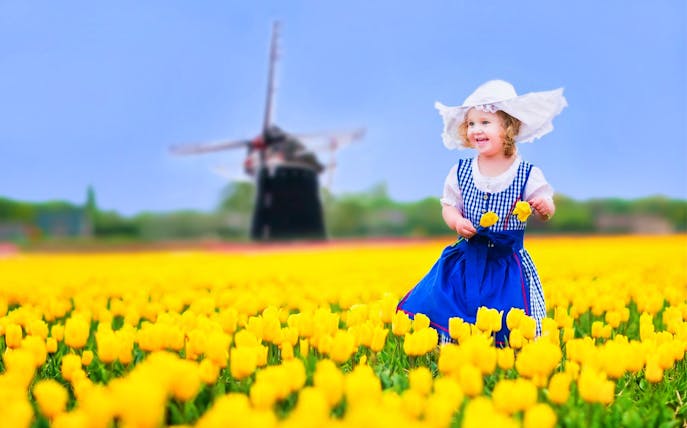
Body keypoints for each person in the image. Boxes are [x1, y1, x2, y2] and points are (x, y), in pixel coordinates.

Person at [397, 79, 567, 345]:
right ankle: (458, 353)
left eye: (485, 122)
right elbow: (449, 206)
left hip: (506, 262)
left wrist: (544, 207)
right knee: (454, 310)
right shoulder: (461, 171)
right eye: (471, 124)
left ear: (508, 127)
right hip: (467, 259)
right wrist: (456, 221)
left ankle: (507, 355)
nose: (476, 129)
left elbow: (545, 204)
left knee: (509, 318)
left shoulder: (527, 173)